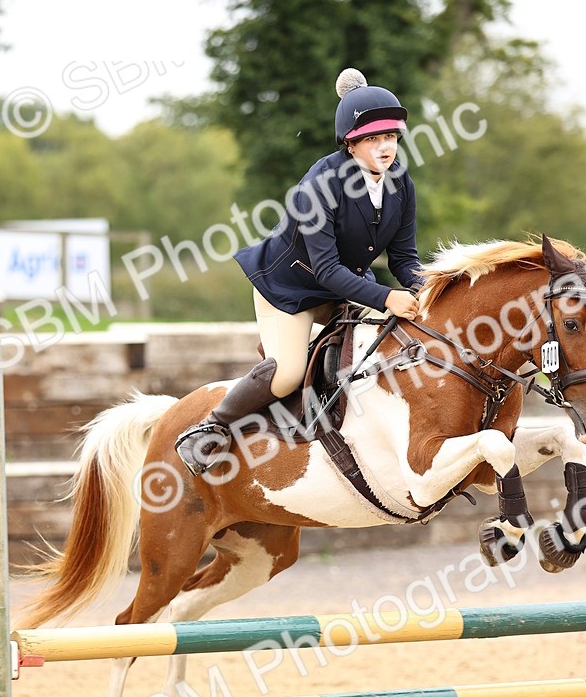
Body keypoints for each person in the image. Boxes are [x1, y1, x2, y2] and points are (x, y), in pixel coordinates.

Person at [176, 68, 423, 476]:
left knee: (396, 341)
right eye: (373, 139)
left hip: (346, 288)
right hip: (289, 290)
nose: (385, 147)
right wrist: (386, 297)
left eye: (391, 137)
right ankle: (210, 428)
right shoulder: (320, 184)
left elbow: (403, 258)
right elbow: (325, 268)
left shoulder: (400, 182)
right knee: (288, 374)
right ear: (350, 143)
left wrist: (428, 287)